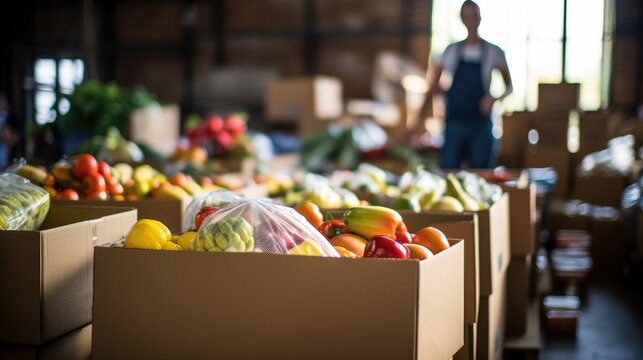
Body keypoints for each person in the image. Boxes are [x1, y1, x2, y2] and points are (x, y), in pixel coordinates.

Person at [411, 0, 512, 169]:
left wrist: (494, 99)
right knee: (450, 170)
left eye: (474, 16)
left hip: (481, 124)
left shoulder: (494, 52)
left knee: (481, 172)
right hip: (454, 124)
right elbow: (433, 86)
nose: (471, 21)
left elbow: (509, 87)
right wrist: (418, 122)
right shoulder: (451, 51)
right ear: (462, 19)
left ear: (480, 18)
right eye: (467, 17)